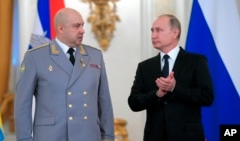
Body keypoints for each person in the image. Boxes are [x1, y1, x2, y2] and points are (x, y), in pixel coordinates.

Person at [14, 8, 114, 141]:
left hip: (88, 135)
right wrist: (24, 139)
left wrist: (107, 136)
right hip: (52, 136)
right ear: (61, 29)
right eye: (76, 26)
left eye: (82, 25)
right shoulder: (35, 57)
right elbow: (23, 105)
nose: (82, 30)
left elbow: (104, 101)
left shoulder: (95, 56)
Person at [128, 14, 214, 141]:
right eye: (152, 30)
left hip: (187, 137)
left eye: (159, 30)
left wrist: (175, 87)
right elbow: (133, 102)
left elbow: (207, 97)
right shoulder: (145, 67)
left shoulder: (196, 61)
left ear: (175, 32)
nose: (153, 35)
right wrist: (157, 94)